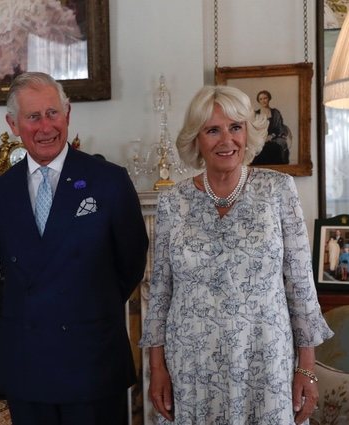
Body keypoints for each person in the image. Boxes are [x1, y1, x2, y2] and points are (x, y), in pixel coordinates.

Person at [140, 85, 333, 424]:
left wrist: (307, 368)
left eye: (235, 127)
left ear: (248, 132)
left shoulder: (278, 190)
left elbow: (300, 285)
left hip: (266, 362)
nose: (226, 140)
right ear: (196, 140)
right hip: (192, 367)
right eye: (212, 130)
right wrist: (156, 369)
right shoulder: (174, 201)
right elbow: (160, 294)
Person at [0, 72, 149, 425]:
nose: (46, 126)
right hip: (27, 363)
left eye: (53, 113)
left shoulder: (109, 181)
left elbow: (131, 260)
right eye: (33, 117)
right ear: (12, 124)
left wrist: (87, 306)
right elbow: (15, 266)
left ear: (68, 114)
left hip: (92, 359)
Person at [250, 89, 290, 165]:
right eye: (261, 99)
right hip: (260, 138)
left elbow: (279, 128)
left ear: (269, 99)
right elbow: (253, 129)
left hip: (274, 137)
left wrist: (271, 136)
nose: (263, 101)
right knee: (257, 149)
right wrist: (262, 138)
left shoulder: (275, 113)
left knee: (276, 147)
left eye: (265, 98)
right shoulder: (256, 114)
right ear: (258, 101)